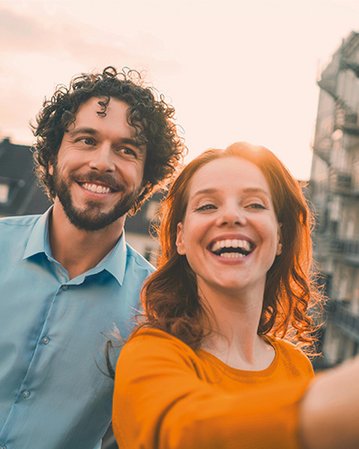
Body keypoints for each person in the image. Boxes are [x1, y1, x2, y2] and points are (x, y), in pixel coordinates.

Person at [112, 142, 359, 449]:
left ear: (280, 237)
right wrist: (331, 405)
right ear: (180, 238)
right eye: (207, 206)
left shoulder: (296, 366)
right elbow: (180, 434)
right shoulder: (149, 353)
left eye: (254, 204)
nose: (230, 216)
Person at [0, 66, 184, 449]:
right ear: (51, 157)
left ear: (147, 182)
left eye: (127, 149)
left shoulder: (155, 313)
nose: (103, 162)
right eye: (86, 140)